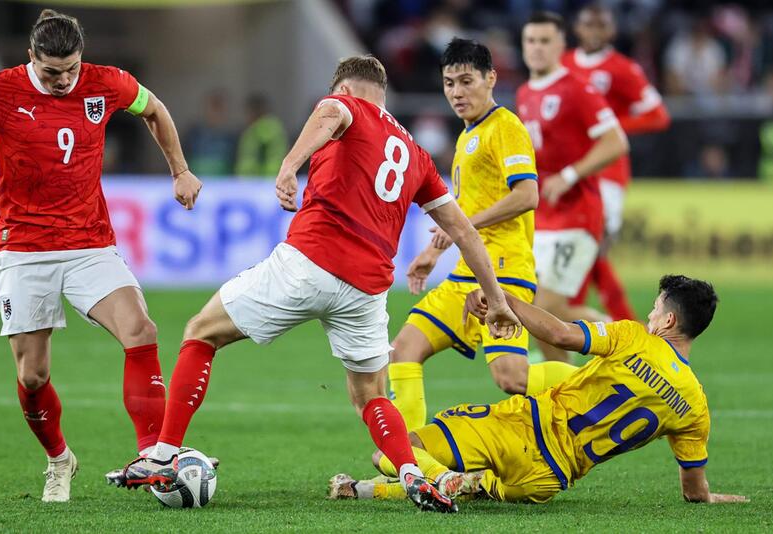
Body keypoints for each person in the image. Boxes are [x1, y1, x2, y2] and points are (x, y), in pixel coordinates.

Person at [106, 55, 521, 513]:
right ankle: (413, 475)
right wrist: (498, 301)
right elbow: (463, 230)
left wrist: (289, 166)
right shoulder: (417, 156)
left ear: (344, 89)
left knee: (201, 332)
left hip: (310, 262)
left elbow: (330, 114)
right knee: (371, 395)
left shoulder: (347, 107)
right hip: (367, 289)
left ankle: (163, 455)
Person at [0, 9, 202, 502]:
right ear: (31, 58)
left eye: (71, 68)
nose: (65, 80)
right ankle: (59, 459)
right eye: (52, 72)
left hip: (89, 241)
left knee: (142, 330)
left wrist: (179, 170)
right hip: (22, 248)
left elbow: (155, 109)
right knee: (33, 375)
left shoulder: (105, 83)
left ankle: (153, 456)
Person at [330, 275, 748, 506]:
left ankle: (442, 479)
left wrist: (502, 298)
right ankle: (365, 489)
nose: (650, 314)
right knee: (479, 488)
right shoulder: (695, 405)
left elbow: (562, 335)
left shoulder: (635, 337)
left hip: (521, 429)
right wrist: (713, 498)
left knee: (391, 450)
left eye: (656, 308)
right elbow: (694, 490)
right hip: (544, 482)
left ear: (669, 322)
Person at [389, 37, 576, 435]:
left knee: (511, 377)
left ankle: (599, 384)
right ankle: (406, 461)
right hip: (464, 275)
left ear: (491, 78)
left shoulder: (505, 127)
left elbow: (527, 195)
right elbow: (462, 212)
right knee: (403, 350)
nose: (457, 92)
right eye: (449, 82)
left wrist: (463, 228)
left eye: (466, 81)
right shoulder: (467, 135)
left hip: (505, 272)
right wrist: (434, 250)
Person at [516, 11, 629, 363]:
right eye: (531, 41)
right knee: (543, 315)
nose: (537, 48)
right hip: (542, 217)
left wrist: (569, 175)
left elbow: (615, 142)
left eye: (545, 41)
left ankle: (629, 342)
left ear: (562, 45)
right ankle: (562, 387)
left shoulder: (577, 88)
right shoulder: (524, 92)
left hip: (578, 214)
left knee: (547, 309)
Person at [563, 4, 671, 322]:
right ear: (577, 29)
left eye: (601, 26)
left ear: (611, 31)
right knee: (585, 250)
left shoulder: (623, 68)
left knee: (590, 247)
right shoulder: (564, 64)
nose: (594, 31)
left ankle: (569, 324)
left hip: (608, 170)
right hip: (572, 170)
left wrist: (614, 127)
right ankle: (624, 327)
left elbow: (658, 115)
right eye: (588, 25)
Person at [234, 94, 288, 178]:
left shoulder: (262, 130)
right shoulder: (252, 130)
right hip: (264, 179)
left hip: (262, 181)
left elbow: (250, 161)